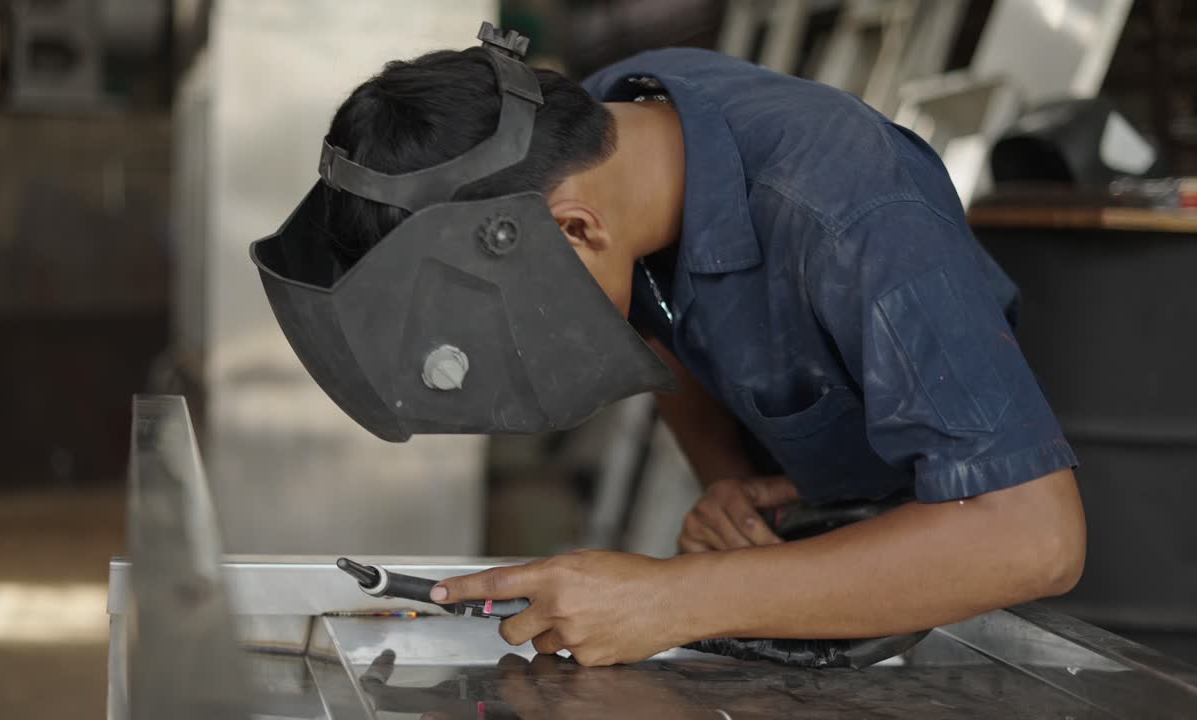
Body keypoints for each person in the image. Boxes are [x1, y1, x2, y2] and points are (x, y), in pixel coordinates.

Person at [320, 45, 1085, 667]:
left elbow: (1034, 539)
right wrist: (731, 483)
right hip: (829, 563)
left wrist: (677, 596)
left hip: (1001, 609)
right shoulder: (610, 127)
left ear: (576, 231)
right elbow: (659, 313)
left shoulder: (852, 212)